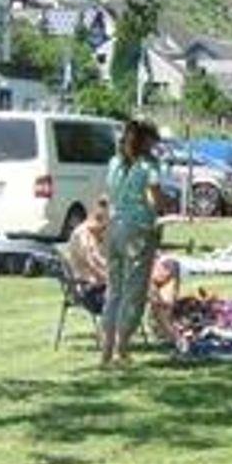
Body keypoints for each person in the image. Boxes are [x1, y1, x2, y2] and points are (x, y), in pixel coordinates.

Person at [100, 118, 167, 366]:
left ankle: (106, 349)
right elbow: (154, 199)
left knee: (114, 290)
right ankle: (122, 348)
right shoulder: (148, 165)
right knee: (134, 290)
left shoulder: (114, 163)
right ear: (147, 140)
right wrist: (164, 207)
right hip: (138, 230)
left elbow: (108, 195)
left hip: (114, 227)